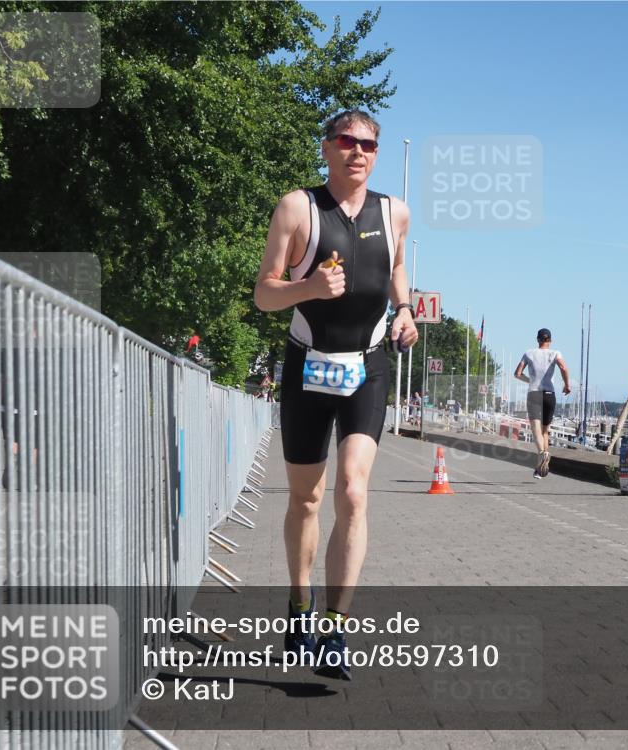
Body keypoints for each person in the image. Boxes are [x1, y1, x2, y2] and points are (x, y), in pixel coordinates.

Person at [253, 109, 417, 680]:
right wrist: (310, 287)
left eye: (368, 144)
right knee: (306, 500)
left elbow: (398, 269)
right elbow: (264, 295)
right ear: (327, 148)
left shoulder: (395, 213)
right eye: (347, 141)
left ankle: (334, 629)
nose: (358, 152)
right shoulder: (298, 208)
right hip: (308, 363)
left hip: (366, 366)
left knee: (352, 491)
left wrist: (404, 310)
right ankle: (299, 605)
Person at [514, 328, 570, 478]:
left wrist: (530, 380)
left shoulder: (529, 353)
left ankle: (542, 454)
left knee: (536, 430)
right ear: (550, 340)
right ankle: (541, 469)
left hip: (534, 393)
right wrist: (567, 385)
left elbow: (517, 374)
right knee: (545, 431)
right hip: (549, 394)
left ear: (538, 339)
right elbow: (563, 367)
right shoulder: (555, 353)